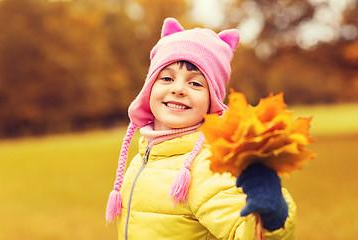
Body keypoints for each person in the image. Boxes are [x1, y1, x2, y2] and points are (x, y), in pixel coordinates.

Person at [106, 17, 296, 239]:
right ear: (149, 88)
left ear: (212, 101)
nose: (178, 89)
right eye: (166, 78)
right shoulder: (144, 156)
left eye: (195, 83)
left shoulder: (208, 167)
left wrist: (271, 220)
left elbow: (244, 232)